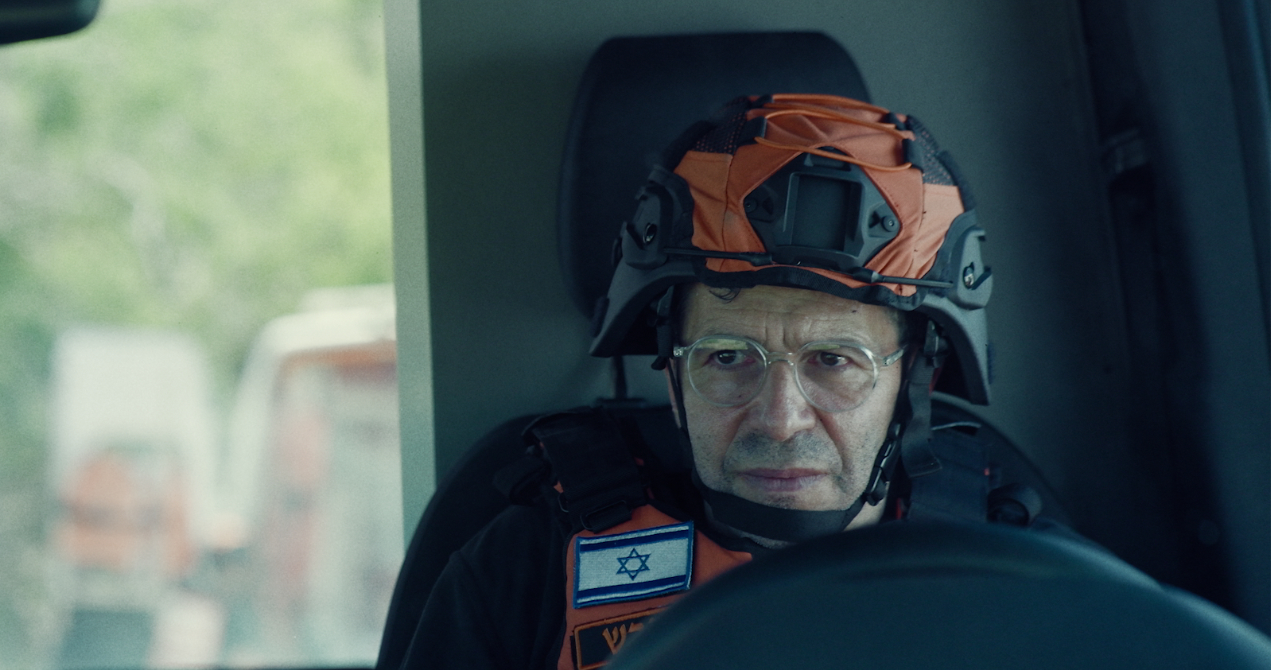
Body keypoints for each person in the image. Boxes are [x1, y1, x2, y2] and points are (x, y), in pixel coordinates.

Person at [398, 93, 1048, 670]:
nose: (780, 419)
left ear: (913, 375)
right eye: (730, 356)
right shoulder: (524, 572)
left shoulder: (1024, 577)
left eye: (834, 360)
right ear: (672, 366)